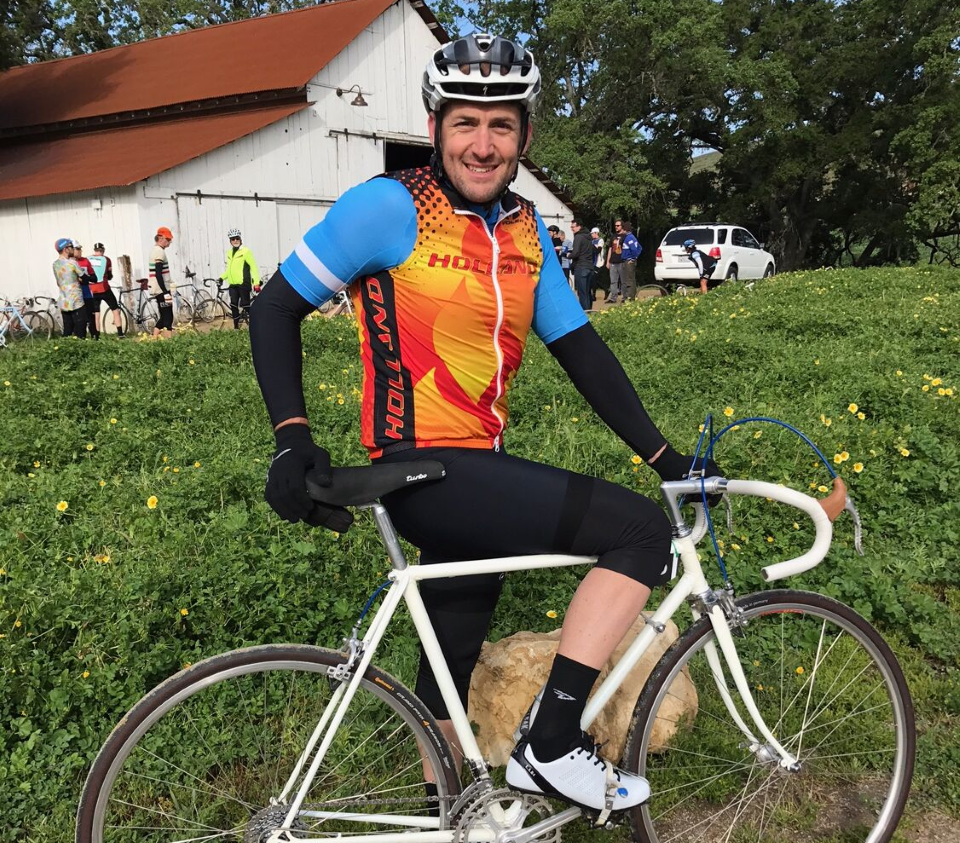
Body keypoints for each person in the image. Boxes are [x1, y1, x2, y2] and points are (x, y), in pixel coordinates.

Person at [250, 32, 718, 816]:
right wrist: (292, 436)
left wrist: (664, 452)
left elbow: (581, 350)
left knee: (453, 654)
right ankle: (552, 744)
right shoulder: (388, 206)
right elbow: (275, 306)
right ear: (436, 127)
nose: (483, 143)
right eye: (466, 122)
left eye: (501, 126)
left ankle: (451, 817)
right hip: (424, 465)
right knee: (638, 531)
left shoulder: (526, 231)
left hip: (478, 469)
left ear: (524, 137)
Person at [220, 228, 261, 329]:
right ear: (230, 241)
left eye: (237, 238)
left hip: (243, 283)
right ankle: (236, 327)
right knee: (233, 305)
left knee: (245, 305)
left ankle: (256, 325)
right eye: (233, 239)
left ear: (240, 239)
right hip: (233, 284)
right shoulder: (229, 253)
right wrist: (221, 278)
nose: (235, 241)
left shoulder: (246, 251)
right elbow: (229, 269)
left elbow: (254, 267)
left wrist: (256, 282)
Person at [52, 238, 87, 338]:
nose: (73, 249)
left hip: (64, 301)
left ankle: (65, 352)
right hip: (76, 301)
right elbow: (85, 279)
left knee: (67, 331)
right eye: (71, 246)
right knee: (80, 331)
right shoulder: (72, 263)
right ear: (65, 249)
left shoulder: (55, 264)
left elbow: (58, 283)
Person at [88, 242, 124, 338]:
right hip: (104, 288)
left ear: (94, 250)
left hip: (92, 289)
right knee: (115, 310)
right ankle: (120, 334)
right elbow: (109, 275)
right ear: (103, 250)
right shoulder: (106, 260)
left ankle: (97, 336)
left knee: (96, 313)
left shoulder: (88, 259)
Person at [149, 226, 175, 338]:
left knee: (164, 316)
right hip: (161, 289)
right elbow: (158, 273)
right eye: (168, 240)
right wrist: (165, 291)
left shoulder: (155, 250)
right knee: (168, 317)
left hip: (158, 289)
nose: (169, 243)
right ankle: (169, 343)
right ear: (161, 238)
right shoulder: (159, 252)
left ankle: (154, 339)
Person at [72, 241, 99, 339]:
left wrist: (84, 278)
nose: (80, 251)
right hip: (74, 295)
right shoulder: (68, 263)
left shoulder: (85, 261)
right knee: (78, 320)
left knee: (91, 317)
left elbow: (94, 278)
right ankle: (79, 339)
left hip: (86, 294)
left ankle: (95, 337)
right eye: (78, 249)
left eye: (80, 249)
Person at [569, 220, 594, 311]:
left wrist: (568, 255)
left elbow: (575, 253)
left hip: (581, 267)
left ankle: (586, 313)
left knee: (582, 293)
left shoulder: (578, 237)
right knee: (587, 292)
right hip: (589, 267)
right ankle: (590, 310)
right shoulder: (589, 237)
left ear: (579, 227)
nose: (572, 229)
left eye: (573, 227)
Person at [619, 222, 642, 301]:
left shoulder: (629, 238)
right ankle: (633, 297)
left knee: (629, 281)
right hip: (628, 260)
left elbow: (634, 249)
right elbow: (640, 247)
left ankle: (631, 298)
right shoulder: (631, 237)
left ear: (625, 229)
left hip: (628, 261)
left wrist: (633, 258)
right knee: (631, 279)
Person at [605, 219, 624, 303]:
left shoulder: (625, 236)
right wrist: (607, 261)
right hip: (613, 261)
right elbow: (610, 249)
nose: (616, 227)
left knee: (623, 281)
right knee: (613, 281)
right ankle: (613, 298)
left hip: (622, 261)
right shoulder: (613, 236)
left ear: (622, 226)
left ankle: (625, 297)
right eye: (615, 225)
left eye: (618, 225)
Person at [590, 227, 606, 303]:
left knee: (594, 279)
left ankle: (594, 295)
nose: (591, 235)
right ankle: (605, 289)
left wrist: (592, 246)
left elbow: (598, 251)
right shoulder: (592, 241)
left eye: (592, 233)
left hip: (599, 262)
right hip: (593, 262)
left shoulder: (600, 240)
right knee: (594, 279)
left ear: (596, 233)